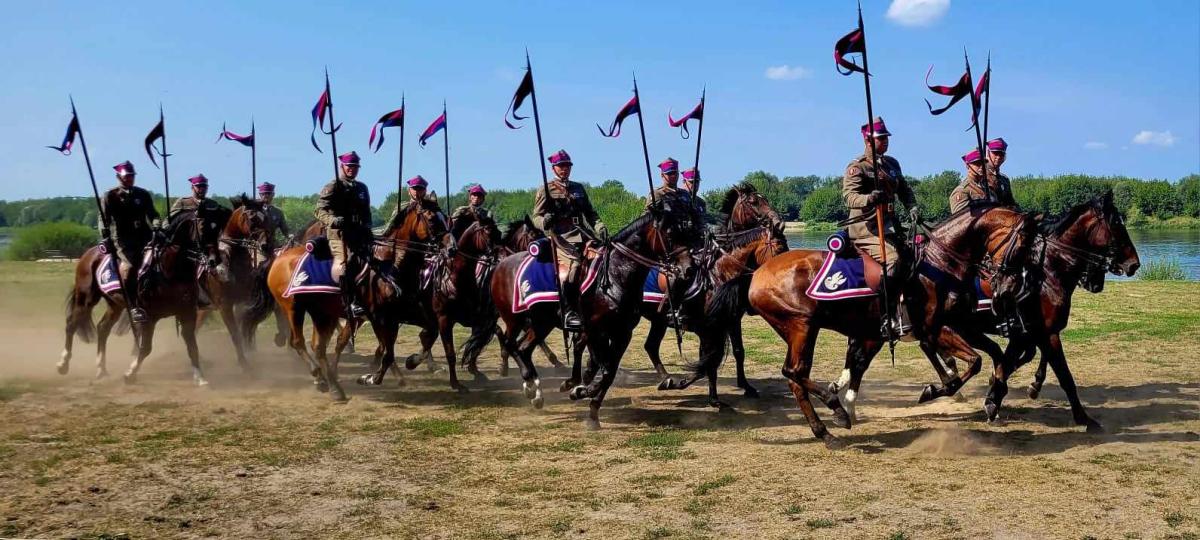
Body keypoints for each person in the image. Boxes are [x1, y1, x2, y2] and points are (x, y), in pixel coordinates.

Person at [842, 117, 918, 338]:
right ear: (868, 140)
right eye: (881, 138)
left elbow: (904, 190)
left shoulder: (892, 164)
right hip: (866, 229)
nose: (885, 142)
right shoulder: (858, 167)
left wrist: (912, 206)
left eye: (886, 138)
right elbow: (849, 197)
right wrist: (869, 199)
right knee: (893, 259)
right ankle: (886, 314)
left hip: (891, 226)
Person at [532, 149, 607, 330]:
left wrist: (600, 227)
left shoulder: (578, 188)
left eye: (567, 166)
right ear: (554, 168)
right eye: (561, 166)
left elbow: (590, 213)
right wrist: (545, 222)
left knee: (605, 258)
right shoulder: (546, 189)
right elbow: (536, 217)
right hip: (561, 238)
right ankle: (570, 311)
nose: (564, 169)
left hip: (583, 234)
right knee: (574, 266)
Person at [99, 161, 160, 323]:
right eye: (127, 177)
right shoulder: (110, 195)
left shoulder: (143, 194)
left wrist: (156, 224)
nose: (130, 179)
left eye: (132, 176)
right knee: (129, 267)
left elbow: (153, 214)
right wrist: (104, 235)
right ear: (119, 177)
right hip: (123, 240)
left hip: (145, 236)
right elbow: (103, 218)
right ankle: (133, 306)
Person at [314, 151, 373, 317]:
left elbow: (366, 211)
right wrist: (332, 220)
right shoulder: (333, 186)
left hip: (359, 233)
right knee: (347, 263)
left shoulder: (362, 188)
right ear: (342, 167)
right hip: (339, 235)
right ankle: (351, 301)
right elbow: (319, 209)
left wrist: (368, 225)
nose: (352, 170)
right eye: (349, 167)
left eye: (355, 167)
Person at [949, 148, 993, 213]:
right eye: (977, 163)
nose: (981, 166)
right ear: (967, 166)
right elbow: (961, 219)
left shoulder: (990, 189)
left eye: (983, 163)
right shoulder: (962, 191)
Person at [256, 182, 289, 250]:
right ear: (260, 195)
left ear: (273, 194)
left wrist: (290, 236)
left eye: (268, 193)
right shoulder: (254, 211)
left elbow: (285, 230)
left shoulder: (278, 212)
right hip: (257, 246)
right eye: (263, 194)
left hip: (273, 245)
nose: (266, 195)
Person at [985, 138, 1016, 207]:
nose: (998, 157)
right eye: (995, 153)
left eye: (1001, 154)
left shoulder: (1004, 180)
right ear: (988, 153)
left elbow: (1011, 203)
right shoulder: (980, 177)